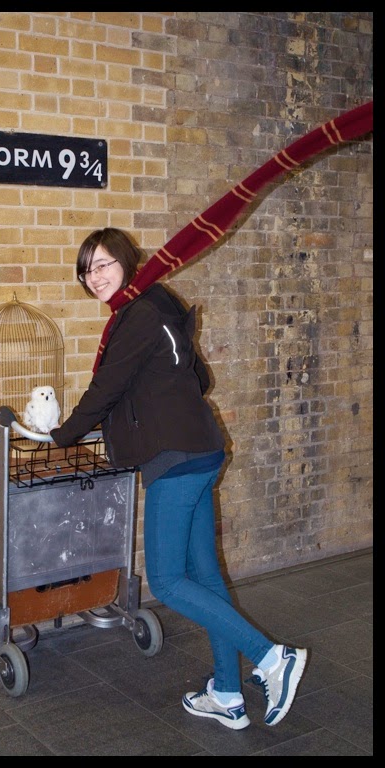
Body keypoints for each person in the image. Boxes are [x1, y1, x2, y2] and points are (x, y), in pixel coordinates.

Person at [48, 228, 307, 730]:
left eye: (102, 264)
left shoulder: (136, 316)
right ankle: (227, 693)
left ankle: (273, 658)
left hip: (174, 459)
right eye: (86, 270)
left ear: (127, 261)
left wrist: (61, 436)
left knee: (167, 581)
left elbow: (105, 389)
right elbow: (200, 378)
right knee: (205, 578)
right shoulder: (160, 305)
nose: (93, 277)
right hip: (199, 451)